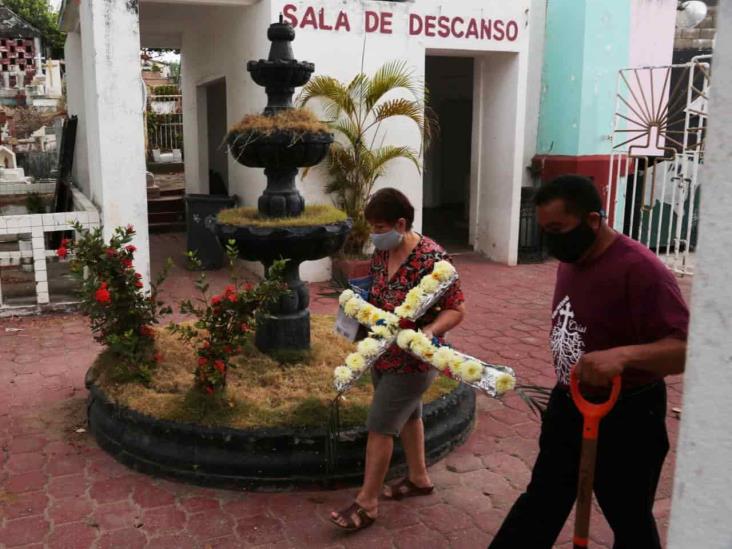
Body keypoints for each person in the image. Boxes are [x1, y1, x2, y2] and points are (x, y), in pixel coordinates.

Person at [489, 175, 689, 549]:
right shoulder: (572, 257)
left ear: (593, 221)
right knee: (542, 500)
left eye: (557, 229)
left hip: (628, 413)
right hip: (571, 403)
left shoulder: (642, 270)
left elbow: (685, 348)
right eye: (545, 229)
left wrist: (624, 355)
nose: (550, 240)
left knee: (628, 515)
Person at [330, 187, 466, 531]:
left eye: (379, 228)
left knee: (379, 425)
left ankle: (367, 503)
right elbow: (377, 294)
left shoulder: (432, 260)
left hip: (414, 361)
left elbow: (457, 309)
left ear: (401, 223)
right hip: (382, 352)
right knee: (410, 416)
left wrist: (429, 332)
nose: (375, 235)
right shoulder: (382, 254)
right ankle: (419, 479)